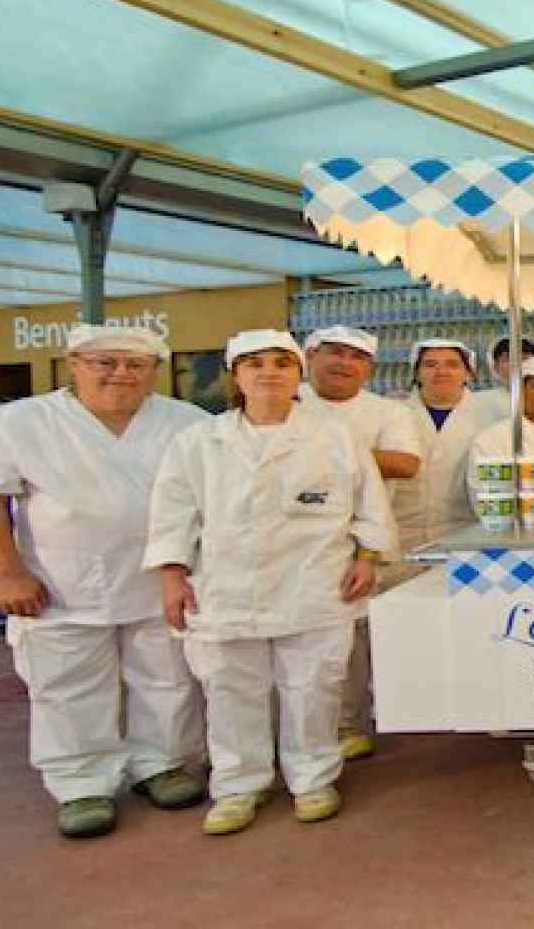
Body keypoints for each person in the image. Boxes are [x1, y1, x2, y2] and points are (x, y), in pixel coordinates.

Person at [146, 329, 395, 836]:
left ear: (298, 372)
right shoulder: (199, 442)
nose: (268, 373)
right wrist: (172, 576)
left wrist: (367, 557)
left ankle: (313, 779)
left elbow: (371, 504)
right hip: (225, 590)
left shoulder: (334, 436)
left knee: (314, 688)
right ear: (236, 374)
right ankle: (239, 786)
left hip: (314, 585)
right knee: (231, 690)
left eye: (281, 363)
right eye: (255, 363)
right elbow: (172, 516)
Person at [0, 325, 207, 839]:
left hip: (161, 580)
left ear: (153, 371)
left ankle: (160, 764)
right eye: (104, 362)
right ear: (73, 363)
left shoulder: (187, 422)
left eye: (135, 364)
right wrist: (6, 571)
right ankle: (81, 785)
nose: (120, 373)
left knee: (167, 678)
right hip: (59, 586)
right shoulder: (17, 422)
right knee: (67, 686)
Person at [301, 325, 422, 761]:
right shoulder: (285, 402)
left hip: (356, 544)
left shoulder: (385, 412)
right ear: (309, 356)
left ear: (369, 367)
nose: (343, 364)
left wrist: (327, 456)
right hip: (286, 547)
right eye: (333, 353)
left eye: (355, 357)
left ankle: (347, 725)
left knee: (348, 645)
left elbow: (406, 463)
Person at [389, 339, 500, 558]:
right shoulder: (392, 414)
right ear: (417, 374)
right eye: (430, 365)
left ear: (468, 374)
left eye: (452, 364)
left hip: (464, 537)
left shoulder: (491, 418)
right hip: (400, 538)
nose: (441, 371)